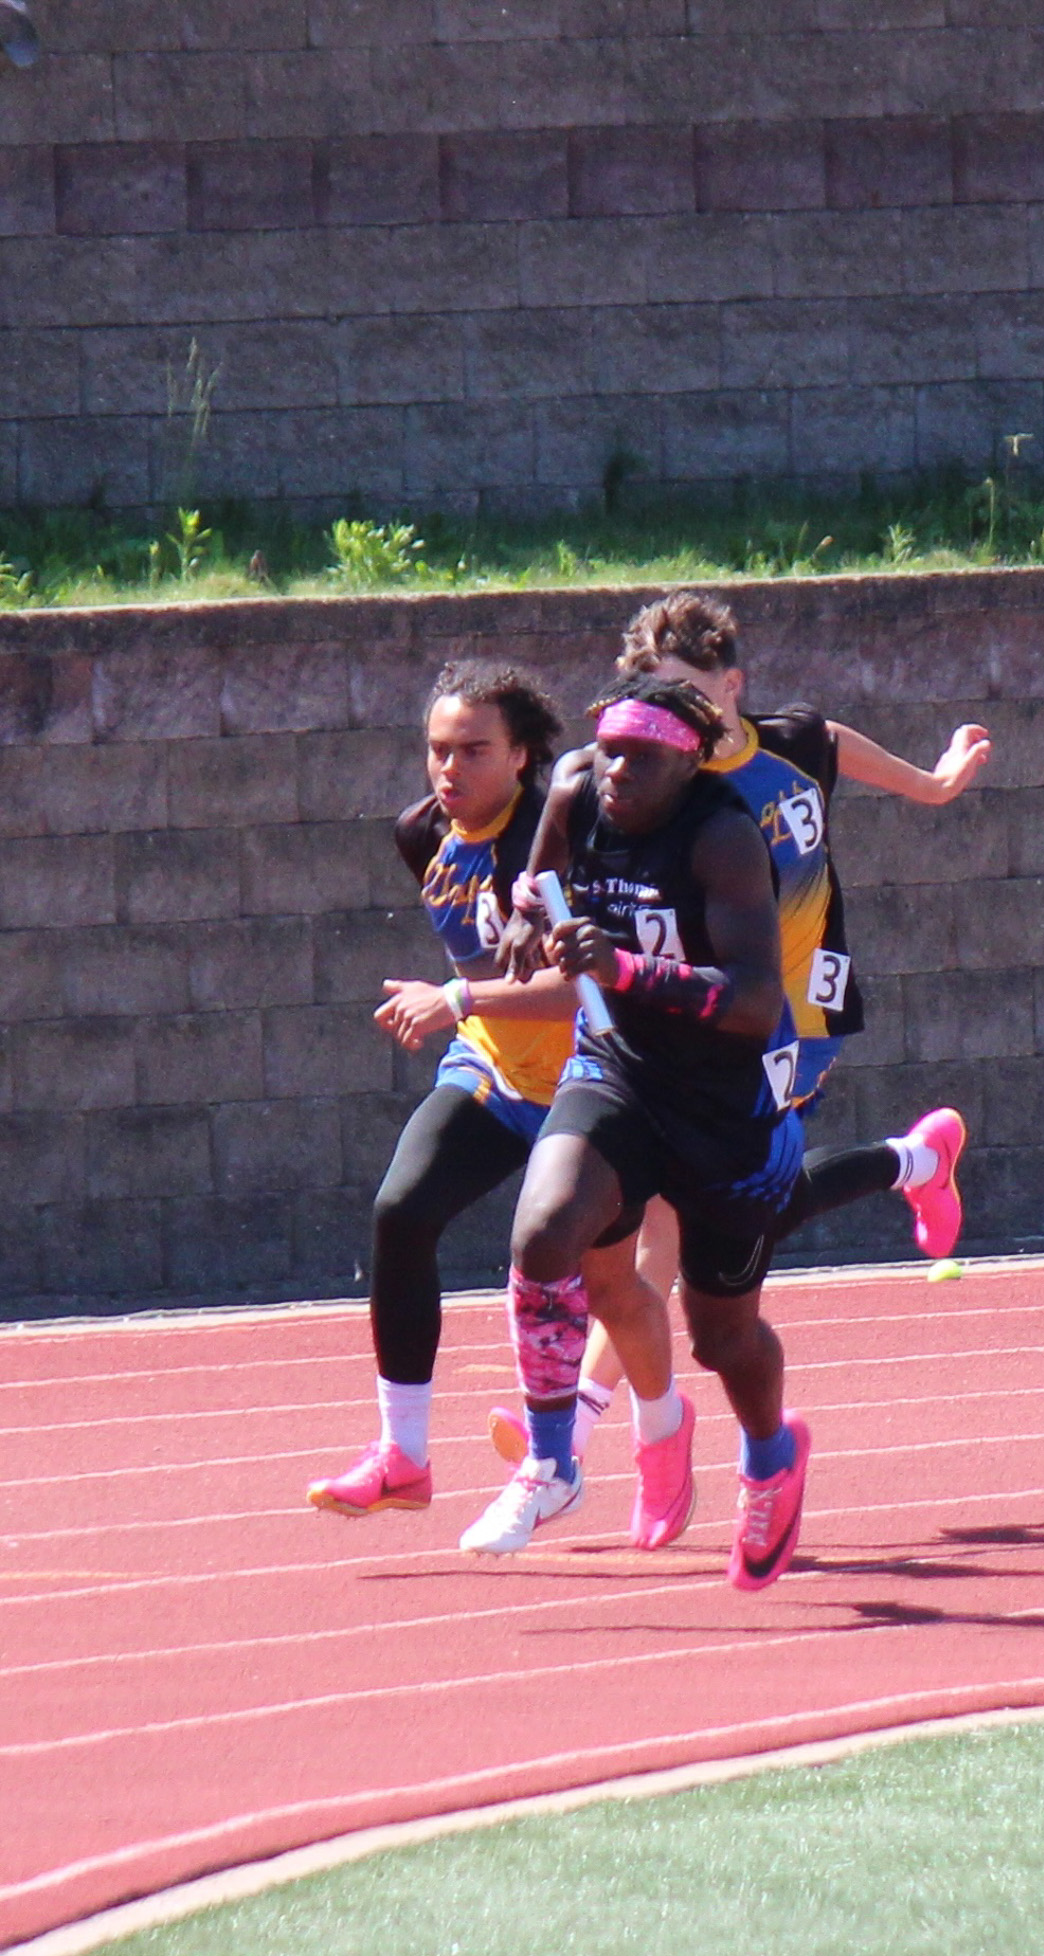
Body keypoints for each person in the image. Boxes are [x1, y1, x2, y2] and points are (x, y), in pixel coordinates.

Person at [539, 589, 987, 1478]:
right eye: (652, 695)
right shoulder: (646, 787)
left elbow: (876, 765)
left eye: (687, 692)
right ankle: (912, 1162)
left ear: (732, 687)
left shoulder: (796, 745)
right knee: (710, 1207)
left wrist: (938, 780)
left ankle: (584, 1424)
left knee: (695, 1212)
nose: (670, 716)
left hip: (792, 1017)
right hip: (685, 1019)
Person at [458, 673, 815, 1591]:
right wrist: (527, 924)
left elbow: (753, 1003)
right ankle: (552, 1462)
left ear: (689, 763)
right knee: (544, 1232)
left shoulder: (724, 838)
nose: (615, 770)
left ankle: (771, 1458)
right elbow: (538, 880)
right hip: (615, 1070)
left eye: (640, 759)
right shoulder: (579, 786)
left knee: (723, 1337)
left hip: (719, 1104)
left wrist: (623, 967)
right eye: (610, 750)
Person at [307, 661, 576, 1516]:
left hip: (593, 1084)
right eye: (437, 750)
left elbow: (581, 990)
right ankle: (403, 1456)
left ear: (523, 755)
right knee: (402, 1210)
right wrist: (467, 1007)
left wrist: (457, 997)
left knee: (623, 1283)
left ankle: (646, 1430)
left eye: (473, 750)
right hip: (494, 1071)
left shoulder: (555, 844)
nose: (449, 768)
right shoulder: (421, 835)